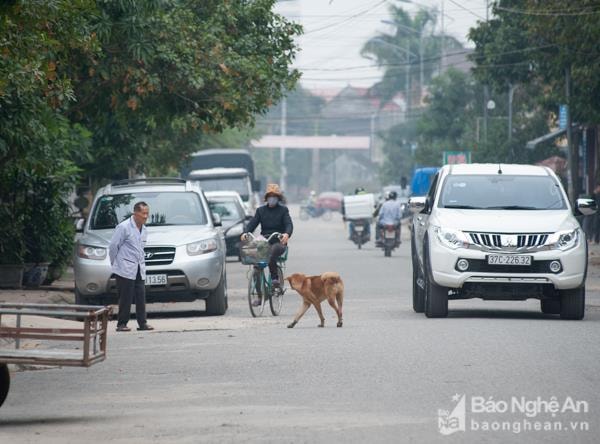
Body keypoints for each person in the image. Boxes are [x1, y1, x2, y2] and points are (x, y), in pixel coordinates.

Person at [242, 184, 293, 305]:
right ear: (266, 198)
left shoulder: (283, 210)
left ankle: (275, 279)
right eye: (270, 196)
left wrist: (286, 234)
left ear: (278, 198)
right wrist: (245, 232)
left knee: (271, 252)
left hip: (278, 241)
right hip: (264, 240)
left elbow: (289, 224)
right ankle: (260, 297)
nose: (272, 198)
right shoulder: (260, 210)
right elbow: (252, 224)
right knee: (256, 264)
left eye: (274, 196)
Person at [109, 201, 154, 332]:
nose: (145, 216)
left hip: (139, 268)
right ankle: (121, 324)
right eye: (143, 213)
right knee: (125, 297)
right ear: (135, 213)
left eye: (147, 213)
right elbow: (113, 247)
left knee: (141, 296)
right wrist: (116, 264)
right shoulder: (123, 227)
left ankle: (142, 323)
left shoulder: (144, 229)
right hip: (124, 268)